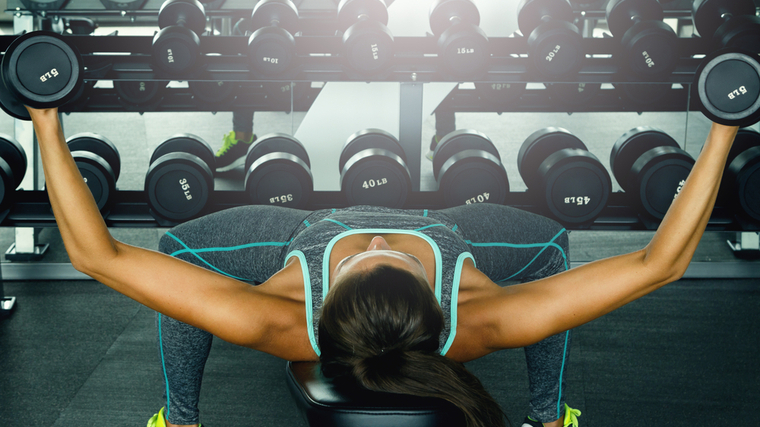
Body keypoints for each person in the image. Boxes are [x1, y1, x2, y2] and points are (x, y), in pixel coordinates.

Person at [26, 105, 738, 427]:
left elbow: (99, 254)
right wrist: (722, 129)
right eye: (387, 260)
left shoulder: (278, 320)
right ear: (438, 303)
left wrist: (47, 121)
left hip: (299, 232)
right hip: (454, 229)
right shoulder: (482, 318)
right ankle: (550, 416)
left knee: (177, 252)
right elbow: (658, 264)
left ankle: (178, 420)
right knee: (550, 250)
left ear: (321, 310)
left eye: (369, 262)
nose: (374, 245)